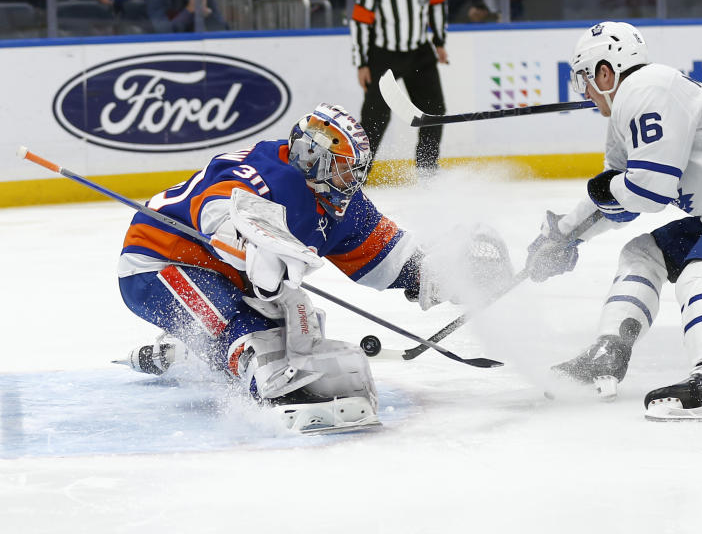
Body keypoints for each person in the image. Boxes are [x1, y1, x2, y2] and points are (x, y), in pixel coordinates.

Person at [117, 104, 514, 432]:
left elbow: (389, 261)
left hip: (229, 277)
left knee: (301, 333)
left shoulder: (341, 200)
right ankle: (269, 387)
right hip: (158, 262)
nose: (353, 178)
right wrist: (253, 246)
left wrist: (449, 276)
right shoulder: (268, 173)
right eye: (343, 167)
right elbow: (217, 209)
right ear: (313, 158)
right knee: (254, 337)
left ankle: (181, 349)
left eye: (355, 168)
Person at [529, 21, 702, 421]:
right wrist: (563, 234)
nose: (586, 92)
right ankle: (608, 351)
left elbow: (648, 190)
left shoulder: (649, 87)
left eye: (585, 80)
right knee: (643, 254)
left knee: (701, 275)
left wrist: (600, 198)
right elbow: (621, 199)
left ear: (604, 72)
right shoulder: (632, 107)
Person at [350, 0, 448, 173]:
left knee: (434, 112)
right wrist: (361, 62)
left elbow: (438, 5)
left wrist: (439, 42)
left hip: (420, 53)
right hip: (385, 57)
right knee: (374, 118)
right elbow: (360, 22)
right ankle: (358, 176)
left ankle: (427, 169)